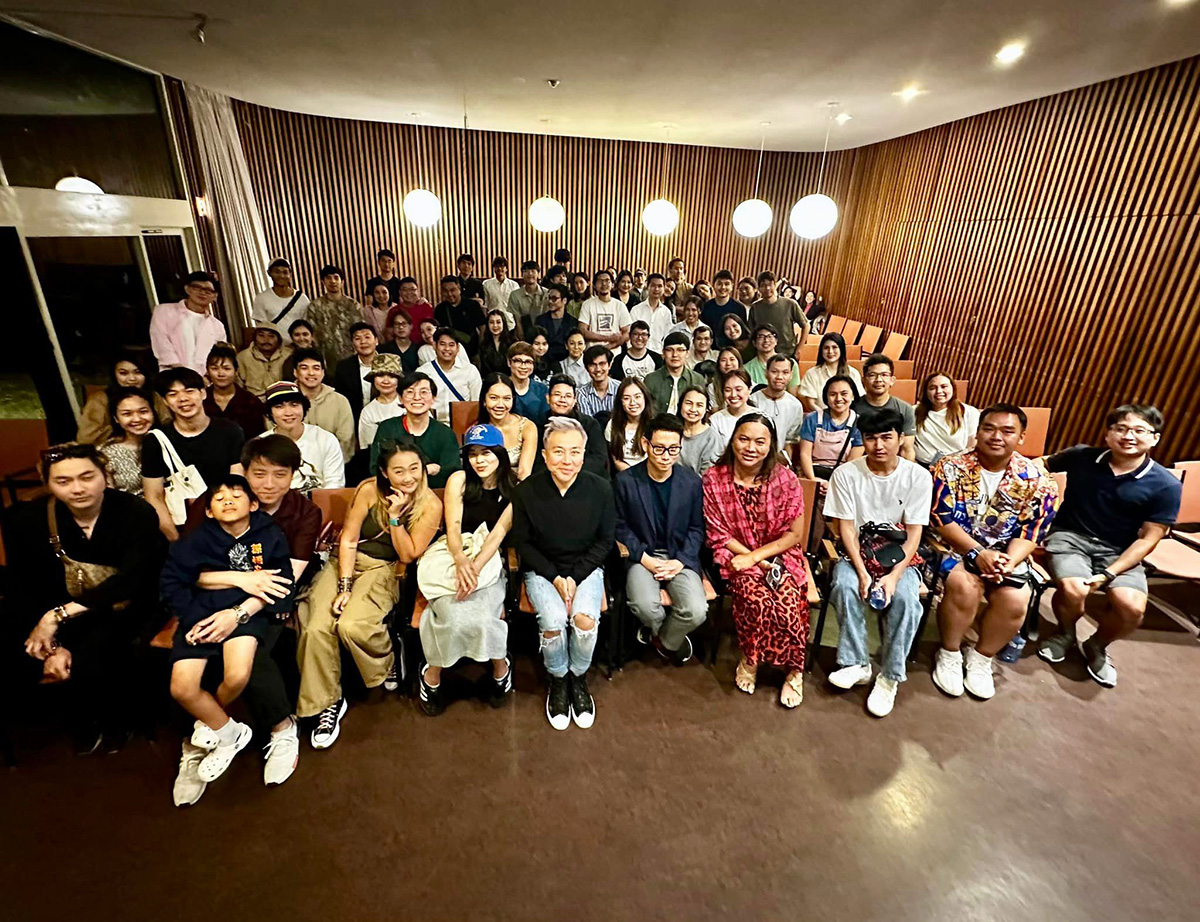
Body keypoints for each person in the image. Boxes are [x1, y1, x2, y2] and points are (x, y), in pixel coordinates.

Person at [172, 435, 322, 803]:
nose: (268, 484)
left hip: (266, 603)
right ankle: (212, 734)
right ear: (244, 472)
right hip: (206, 599)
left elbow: (285, 578)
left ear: (293, 476)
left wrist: (237, 613)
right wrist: (235, 582)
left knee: (251, 659)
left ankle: (279, 727)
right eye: (259, 474)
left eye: (279, 475)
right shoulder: (216, 502)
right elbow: (188, 571)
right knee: (194, 653)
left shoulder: (303, 512)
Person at [11, 443, 165, 753]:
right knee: (27, 649)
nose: (78, 489)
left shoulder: (135, 512)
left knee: (100, 646)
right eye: (63, 481)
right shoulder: (27, 519)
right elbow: (25, 583)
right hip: (58, 604)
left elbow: (135, 579)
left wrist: (57, 617)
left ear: (106, 475)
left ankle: (116, 721)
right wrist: (52, 642)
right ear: (48, 484)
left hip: (128, 604)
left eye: (87, 477)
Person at [297, 441, 441, 748]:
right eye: (399, 471)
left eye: (414, 469)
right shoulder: (367, 490)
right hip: (345, 562)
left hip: (384, 567)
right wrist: (345, 586)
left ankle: (387, 657)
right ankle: (327, 702)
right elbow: (348, 538)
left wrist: (394, 517)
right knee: (315, 627)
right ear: (385, 473)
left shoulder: (430, 504)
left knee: (351, 625)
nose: (408, 477)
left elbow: (408, 554)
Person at [162, 476, 296, 787]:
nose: (227, 500)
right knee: (181, 687)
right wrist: (194, 618)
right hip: (200, 614)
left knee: (237, 674)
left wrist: (241, 608)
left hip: (246, 615)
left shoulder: (269, 534)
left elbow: (281, 581)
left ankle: (212, 723)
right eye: (218, 497)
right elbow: (174, 581)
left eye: (236, 495)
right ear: (208, 511)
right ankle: (229, 732)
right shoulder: (196, 540)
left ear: (253, 504)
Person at [1037, 405, 1182, 688]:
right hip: (1069, 536)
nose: (1128, 436)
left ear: (1155, 438)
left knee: (1132, 609)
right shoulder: (1082, 456)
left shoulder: (1165, 484)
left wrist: (1110, 573)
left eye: (1139, 431)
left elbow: (1150, 538)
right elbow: (1041, 463)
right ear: (1108, 434)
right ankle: (1065, 634)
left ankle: (1097, 645)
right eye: (1121, 429)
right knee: (1074, 588)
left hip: (1120, 549)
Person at [929, 405, 1060, 700]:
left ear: (1022, 437)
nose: (996, 436)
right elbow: (941, 519)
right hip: (957, 547)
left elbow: (1033, 532)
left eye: (1007, 431)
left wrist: (1008, 561)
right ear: (977, 432)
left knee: (1016, 598)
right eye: (989, 429)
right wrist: (977, 554)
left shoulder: (1037, 480)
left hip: (1006, 555)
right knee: (964, 585)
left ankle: (981, 657)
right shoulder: (949, 467)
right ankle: (949, 652)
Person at [823, 408, 933, 718]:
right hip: (858, 551)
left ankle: (889, 676)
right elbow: (845, 527)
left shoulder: (917, 477)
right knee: (844, 587)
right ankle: (857, 662)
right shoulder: (846, 474)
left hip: (900, 557)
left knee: (908, 601)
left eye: (887, 437)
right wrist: (861, 572)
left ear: (900, 439)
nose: (879, 445)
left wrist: (894, 577)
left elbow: (914, 533)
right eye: (871, 438)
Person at [512, 416, 615, 730]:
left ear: (584, 454)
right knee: (554, 622)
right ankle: (558, 679)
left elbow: (605, 540)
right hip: (543, 571)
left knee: (584, 619)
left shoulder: (601, 489)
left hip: (585, 570)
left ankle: (578, 676)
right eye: (558, 452)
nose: (566, 460)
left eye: (574, 452)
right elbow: (524, 544)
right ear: (544, 455)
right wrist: (555, 576)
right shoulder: (527, 491)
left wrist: (576, 575)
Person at [703, 414, 810, 708]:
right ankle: (750, 659)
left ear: (771, 445)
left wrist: (758, 556)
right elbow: (718, 532)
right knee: (757, 599)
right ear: (733, 440)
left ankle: (794, 670)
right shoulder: (715, 478)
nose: (751, 447)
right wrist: (748, 557)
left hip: (779, 553)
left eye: (760, 441)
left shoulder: (785, 479)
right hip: (736, 554)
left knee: (788, 603)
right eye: (744, 439)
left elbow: (794, 534)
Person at [417, 424, 516, 715]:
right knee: (449, 613)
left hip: (489, 559)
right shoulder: (459, 479)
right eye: (473, 454)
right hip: (454, 551)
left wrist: (474, 567)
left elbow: (498, 533)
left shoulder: (514, 487)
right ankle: (431, 675)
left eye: (486, 453)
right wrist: (461, 561)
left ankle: (501, 667)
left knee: (484, 615)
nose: (479, 460)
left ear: (500, 453)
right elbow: (454, 526)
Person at [612, 413, 707, 665]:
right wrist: (645, 559)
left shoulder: (691, 483)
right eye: (660, 448)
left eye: (673, 449)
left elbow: (697, 528)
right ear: (645, 444)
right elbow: (619, 527)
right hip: (643, 554)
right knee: (645, 605)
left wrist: (681, 561)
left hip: (678, 555)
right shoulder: (625, 481)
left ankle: (664, 640)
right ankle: (662, 632)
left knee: (697, 611)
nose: (666, 456)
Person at [143, 367, 246, 541]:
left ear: (203, 393)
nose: (183, 399)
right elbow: (154, 496)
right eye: (173, 394)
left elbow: (237, 484)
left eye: (189, 391)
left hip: (227, 525)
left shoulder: (230, 431)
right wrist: (177, 540)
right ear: (165, 401)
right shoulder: (155, 440)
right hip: (182, 529)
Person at [371, 372, 461, 489]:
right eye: (410, 392)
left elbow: (451, 473)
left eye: (423, 392)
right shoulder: (387, 428)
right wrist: (426, 470)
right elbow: (376, 469)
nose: (417, 397)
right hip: (393, 494)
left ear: (433, 398)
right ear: (400, 398)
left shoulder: (445, 433)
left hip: (434, 496)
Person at [263, 381, 345, 491]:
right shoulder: (261, 445)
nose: (288, 412)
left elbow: (335, 483)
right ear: (270, 413)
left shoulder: (326, 440)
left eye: (294, 405)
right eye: (279, 407)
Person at [77, 352, 170, 444]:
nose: (132, 378)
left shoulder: (153, 396)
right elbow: (86, 438)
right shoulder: (101, 399)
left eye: (137, 372)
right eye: (123, 373)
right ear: (114, 375)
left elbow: (167, 424)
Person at [149, 271, 228, 375]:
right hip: (172, 376)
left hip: (203, 381)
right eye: (197, 288)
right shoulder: (164, 311)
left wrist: (207, 377)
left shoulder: (217, 326)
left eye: (208, 290)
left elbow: (219, 357)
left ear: (215, 296)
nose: (203, 293)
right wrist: (184, 373)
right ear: (187, 289)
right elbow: (161, 344)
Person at [534, 375, 609, 477]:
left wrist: (570, 472)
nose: (562, 400)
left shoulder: (589, 424)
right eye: (557, 395)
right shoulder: (538, 424)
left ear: (574, 400)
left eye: (568, 396)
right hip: (550, 478)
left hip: (585, 477)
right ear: (548, 398)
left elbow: (599, 458)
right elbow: (536, 462)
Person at [292, 347, 355, 464]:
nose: (311, 373)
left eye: (316, 368)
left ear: (323, 373)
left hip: (334, 466)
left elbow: (346, 440)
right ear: (295, 372)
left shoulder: (340, 401)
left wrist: (330, 466)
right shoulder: (284, 402)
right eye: (304, 368)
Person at [797, 375, 863, 483]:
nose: (838, 399)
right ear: (826, 397)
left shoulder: (859, 423)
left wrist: (835, 484)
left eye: (844, 394)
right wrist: (814, 481)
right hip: (813, 473)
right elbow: (805, 454)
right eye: (833, 394)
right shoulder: (812, 419)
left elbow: (853, 461)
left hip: (844, 478)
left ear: (853, 396)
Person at [852, 354, 916, 461]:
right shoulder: (852, 408)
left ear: (892, 380)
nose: (878, 380)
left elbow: (907, 450)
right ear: (863, 380)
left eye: (884, 375)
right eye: (872, 375)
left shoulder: (905, 409)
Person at [478, 373, 538, 479]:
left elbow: (524, 472)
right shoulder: (477, 431)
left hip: (518, 487)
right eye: (494, 398)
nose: (500, 405)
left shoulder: (527, 427)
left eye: (506, 398)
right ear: (484, 400)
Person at [418, 327, 483, 423]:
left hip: (463, 425)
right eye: (442, 344)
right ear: (434, 346)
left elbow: (476, 402)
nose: (447, 349)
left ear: (458, 348)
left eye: (451, 345)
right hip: (432, 425)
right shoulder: (423, 372)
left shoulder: (470, 371)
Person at [914, 373, 980, 467]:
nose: (939, 391)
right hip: (922, 467)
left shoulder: (969, 412)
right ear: (926, 392)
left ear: (953, 388)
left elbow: (972, 446)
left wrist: (947, 465)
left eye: (944, 386)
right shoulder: (913, 412)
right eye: (932, 388)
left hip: (957, 467)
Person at [204, 343, 266, 440]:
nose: (220, 373)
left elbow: (258, 438)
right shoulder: (201, 400)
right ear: (207, 371)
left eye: (226, 368)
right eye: (215, 369)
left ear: (236, 371)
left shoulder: (250, 401)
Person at [102, 386, 156, 495]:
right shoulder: (107, 454)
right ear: (116, 418)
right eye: (127, 414)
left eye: (143, 411)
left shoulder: (167, 441)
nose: (137, 419)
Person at [307, 265, 364, 369]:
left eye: (336, 277)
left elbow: (361, 331)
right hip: (326, 359)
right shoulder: (315, 306)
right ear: (323, 282)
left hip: (351, 357)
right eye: (328, 278)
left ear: (342, 282)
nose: (333, 281)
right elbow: (312, 335)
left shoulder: (353, 305)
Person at [749, 354, 806, 453]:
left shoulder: (795, 405)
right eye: (774, 372)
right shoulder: (752, 400)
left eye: (785, 372)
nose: (779, 377)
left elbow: (790, 441)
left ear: (791, 375)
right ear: (766, 373)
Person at [642, 330, 707, 417]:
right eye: (670, 350)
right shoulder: (651, 379)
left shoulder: (697, 379)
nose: (675, 355)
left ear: (687, 353)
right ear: (663, 353)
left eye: (680, 350)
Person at [333, 321, 380, 434]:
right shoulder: (343, 367)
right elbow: (340, 399)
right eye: (357, 338)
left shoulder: (389, 362)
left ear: (376, 341)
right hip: (354, 423)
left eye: (367, 337)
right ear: (353, 343)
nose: (363, 342)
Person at [749, 271, 809, 359]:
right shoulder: (755, 307)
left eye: (770, 284)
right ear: (759, 288)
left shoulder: (790, 304)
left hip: (787, 353)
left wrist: (799, 348)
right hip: (763, 355)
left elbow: (806, 325)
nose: (767, 288)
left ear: (775, 285)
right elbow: (751, 333)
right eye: (763, 285)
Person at [799, 332, 863, 412]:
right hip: (822, 418)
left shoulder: (853, 373)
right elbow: (811, 404)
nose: (830, 351)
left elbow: (859, 401)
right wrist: (825, 417)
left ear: (841, 350)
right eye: (826, 348)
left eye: (834, 347)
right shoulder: (812, 374)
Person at [251, 258, 309, 344]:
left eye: (285, 272)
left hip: (298, 346)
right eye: (277, 272)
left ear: (291, 274)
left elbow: (307, 325)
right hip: (274, 347)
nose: (281, 276)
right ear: (269, 273)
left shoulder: (302, 298)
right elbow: (262, 328)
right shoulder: (261, 298)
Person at [357, 353, 405, 451]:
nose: (386, 381)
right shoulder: (368, 412)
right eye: (380, 375)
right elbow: (368, 447)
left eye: (391, 376)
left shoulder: (412, 404)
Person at [604, 377, 653, 472]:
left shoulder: (654, 425)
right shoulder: (612, 424)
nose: (632, 402)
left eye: (637, 397)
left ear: (645, 398)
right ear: (620, 401)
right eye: (626, 398)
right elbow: (616, 460)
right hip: (623, 475)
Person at [435, 275, 487, 359]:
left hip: (471, 351)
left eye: (452, 290)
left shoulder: (472, 305)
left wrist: (480, 347)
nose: (449, 294)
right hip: (449, 353)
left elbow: (482, 326)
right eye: (445, 291)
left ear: (459, 289)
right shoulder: (440, 309)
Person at [578, 269, 632, 349]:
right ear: (594, 285)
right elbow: (583, 331)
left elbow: (627, 332)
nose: (604, 284)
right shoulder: (587, 304)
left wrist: (609, 347)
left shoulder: (619, 306)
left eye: (607, 281)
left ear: (613, 285)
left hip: (614, 353)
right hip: (592, 352)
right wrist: (608, 338)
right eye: (600, 281)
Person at [677, 385, 723, 476]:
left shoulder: (712, 438)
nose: (693, 409)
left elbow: (708, 475)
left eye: (699, 405)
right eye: (689, 403)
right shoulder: (672, 431)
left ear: (706, 409)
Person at [237, 322, 290, 397]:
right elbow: (238, 387)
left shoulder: (288, 355)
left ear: (279, 340)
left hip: (283, 401)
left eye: (271, 336)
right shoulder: (243, 357)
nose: (266, 340)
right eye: (261, 335)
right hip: (254, 402)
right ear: (254, 338)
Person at [744, 325, 801, 391]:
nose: (766, 340)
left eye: (770, 336)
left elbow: (793, 393)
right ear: (754, 343)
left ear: (776, 341)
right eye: (761, 337)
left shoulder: (790, 363)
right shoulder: (746, 369)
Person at [629, 273, 675, 354]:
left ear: (664, 288)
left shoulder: (666, 312)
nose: (656, 289)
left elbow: (668, 335)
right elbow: (630, 334)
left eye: (660, 286)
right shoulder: (636, 310)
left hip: (659, 354)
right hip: (638, 353)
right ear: (647, 286)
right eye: (653, 285)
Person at [533, 283, 578, 366]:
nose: (550, 301)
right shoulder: (540, 320)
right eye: (549, 298)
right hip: (544, 363)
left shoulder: (573, 322)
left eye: (554, 299)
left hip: (567, 364)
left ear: (564, 300)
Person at [507, 342, 550, 427]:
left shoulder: (542, 390)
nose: (523, 366)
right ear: (509, 362)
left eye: (528, 362)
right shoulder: (501, 388)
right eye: (518, 361)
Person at [709, 368, 754, 447]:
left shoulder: (761, 417)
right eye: (728, 390)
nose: (733, 395)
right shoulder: (715, 420)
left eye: (738, 389)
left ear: (749, 390)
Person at [577, 345, 620, 419]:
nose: (598, 369)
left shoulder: (621, 388)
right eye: (593, 365)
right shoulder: (582, 393)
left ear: (609, 365)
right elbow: (588, 425)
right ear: (586, 368)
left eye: (602, 364)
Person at [701, 269, 747, 337]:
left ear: (732, 286)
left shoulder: (739, 308)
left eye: (727, 284)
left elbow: (742, 334)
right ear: (713, 285)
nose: (723, 287)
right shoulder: (705, 307)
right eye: (719, 284)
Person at [509, 260, 548, 339]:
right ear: (522, 274)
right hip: (524, 331)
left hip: (544, 333)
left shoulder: (547, 293)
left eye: (533, 271)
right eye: (526, 271)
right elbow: (518, 322)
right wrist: (522, 341)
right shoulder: (515, 295)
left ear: (538, 274)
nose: (530, 274)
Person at [377, 306, 421, 374]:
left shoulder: (419, 349)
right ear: (393, 328)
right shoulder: (383, 349)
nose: (400, 327)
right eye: (397, 324)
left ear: (411, 326)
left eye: (404, 323)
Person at [482, 256, 519, 328]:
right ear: (493, 268)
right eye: (497, 266)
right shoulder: (486, 284)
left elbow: (517, 308)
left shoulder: (514, 285)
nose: (499, 269)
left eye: (502, 266)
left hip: (510, 323)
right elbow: (485, 306)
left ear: (506, 268)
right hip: (493, 323)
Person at [479, 309, 517, 377]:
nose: (495, 325)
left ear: (503, 323)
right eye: (491, 322)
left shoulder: (513, 342)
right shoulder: (483, 345)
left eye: (498, 322)